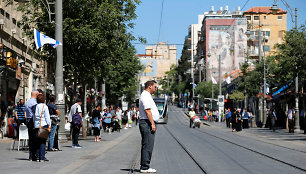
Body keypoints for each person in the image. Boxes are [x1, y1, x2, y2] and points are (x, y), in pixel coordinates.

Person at [139, 80, 159, 173]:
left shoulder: (147, 95)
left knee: (148, 144)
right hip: (147, 123)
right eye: (155, 87)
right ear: (150, 86)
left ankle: (145, 165)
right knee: (147, 145)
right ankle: (145, 167)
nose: (156, 89)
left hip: (147, 122)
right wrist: (152, 123)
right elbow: (148, 111)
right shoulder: (145, 96)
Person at [33, 93, 51, 162]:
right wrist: (49, 126)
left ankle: (37, 157)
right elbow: (47, 117)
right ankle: (42, 157)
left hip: (36, 126)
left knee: (37, 142)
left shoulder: (35, 106)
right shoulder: (45, 106)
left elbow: (34, 117)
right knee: (43, 142)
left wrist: (35, 124)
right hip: (44, 126)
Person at [25, 90, 39, 161]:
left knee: (31, 139)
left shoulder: (28, 102)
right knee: (35, 139)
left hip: (28, 120)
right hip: (32, 121)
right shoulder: (34, 103)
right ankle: (34, 155)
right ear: (36, 95)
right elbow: (35, 113)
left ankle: (31, 155)